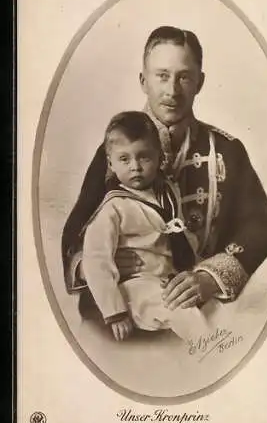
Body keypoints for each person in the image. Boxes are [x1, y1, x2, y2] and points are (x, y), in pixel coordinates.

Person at [62, 25, 267, 316]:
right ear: (143, 80)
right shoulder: (116, 153)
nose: (172, 91)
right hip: (120, 315)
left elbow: (261, 227)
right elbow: (76, 231)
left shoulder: (228, 151)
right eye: (162, 76)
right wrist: (90, 265)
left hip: (202, 319)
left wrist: (208, 279)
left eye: (184, 77)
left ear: (200, 82)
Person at [80, 110, 209, 341]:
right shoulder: (113, 207)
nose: (135, 167)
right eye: (124, 159)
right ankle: (211, 358)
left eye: (144, 157)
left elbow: (179, 234)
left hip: (165, 278)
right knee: (187, 316)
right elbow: (96, 260)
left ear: (159, 157)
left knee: (213, 309)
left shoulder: (167, 191)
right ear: (110, 163)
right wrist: (115, 312)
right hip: (135, 285)